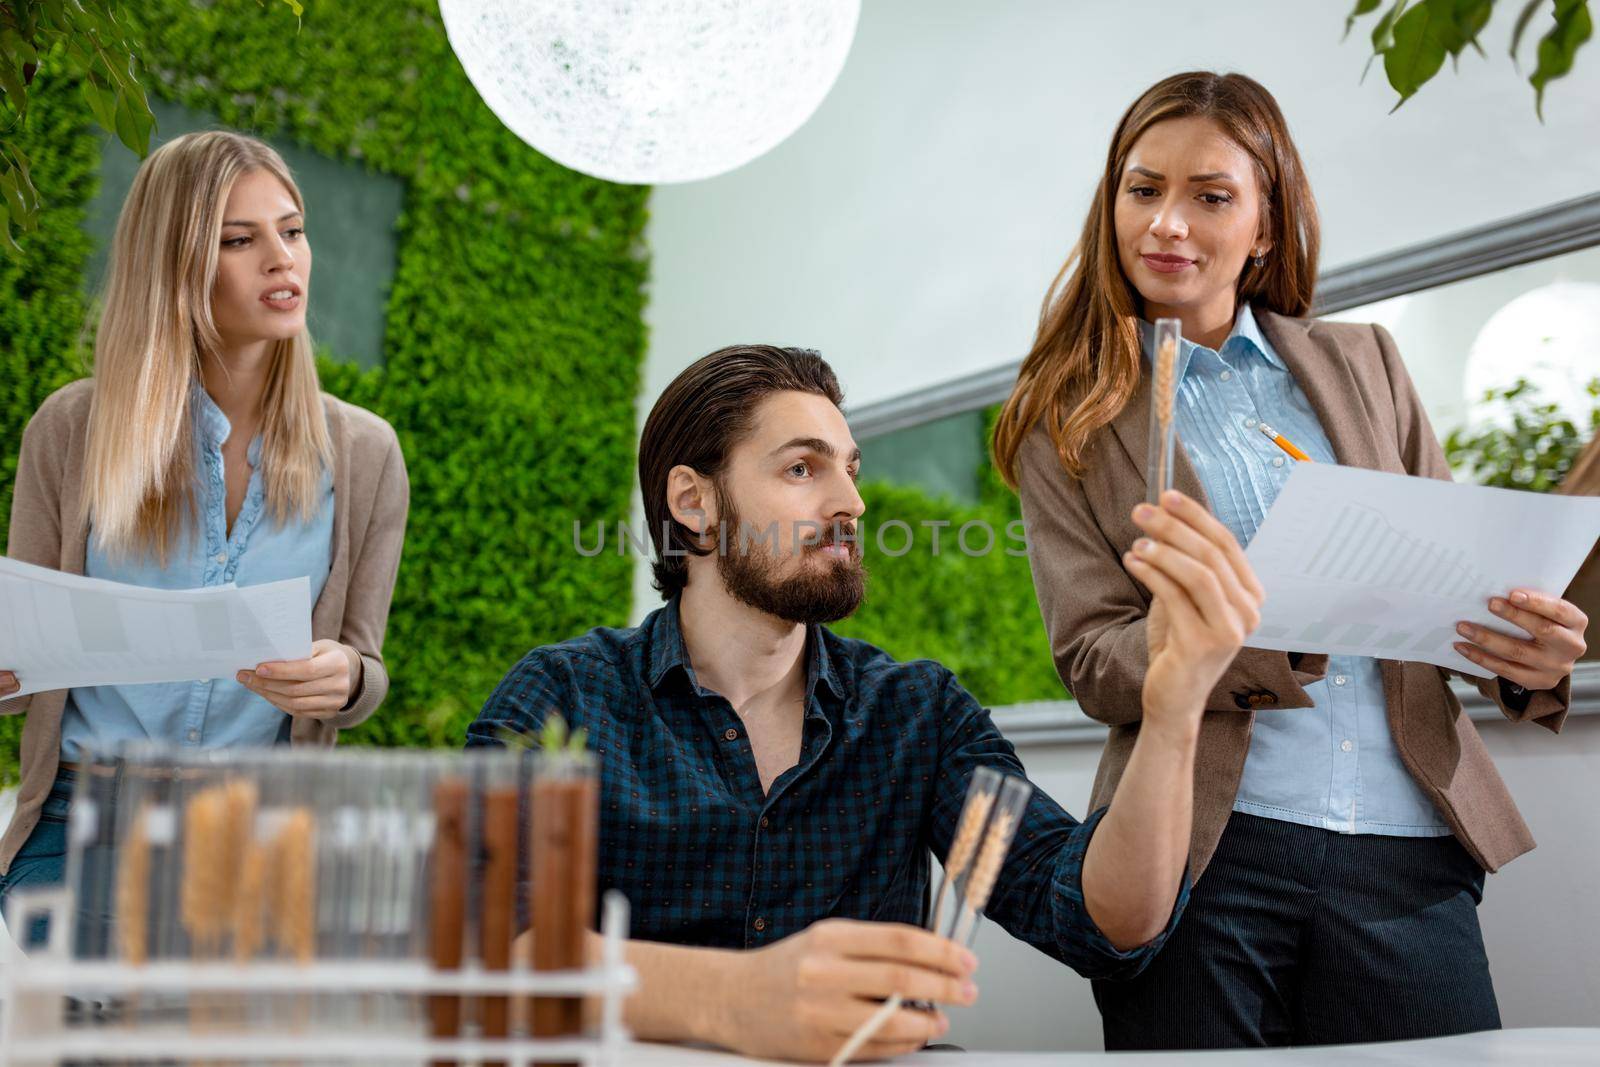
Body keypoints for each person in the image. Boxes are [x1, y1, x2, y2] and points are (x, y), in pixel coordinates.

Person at [991, 71, 1588, 1049]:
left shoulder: (1368, 364)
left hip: (1408, 849)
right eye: (1142, 190)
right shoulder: (1070, 411)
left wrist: (1522, 653)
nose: (1166, 222)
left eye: (1210, 195)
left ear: (1264, 224)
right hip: (1208, 850)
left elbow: (1450, 582)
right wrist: (1262, 638)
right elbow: (1093, 658)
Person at [469, 343, 1266, 1063]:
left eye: (850, 467)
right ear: (695, 502)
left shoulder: (917, 711)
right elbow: (479, 933)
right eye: (803, 468)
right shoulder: (561, 696)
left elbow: (1102, 921)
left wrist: (1173, 711)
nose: (851, 500)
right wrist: (739, 997)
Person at [0, 131, 410, 937]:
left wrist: (346, 678)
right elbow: (22, 659)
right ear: (176, 263)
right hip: (87, 821)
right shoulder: (73, 428)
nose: (281, 259)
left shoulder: (364, 454)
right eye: (238, 240)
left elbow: (365, 666)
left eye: (291, 231)